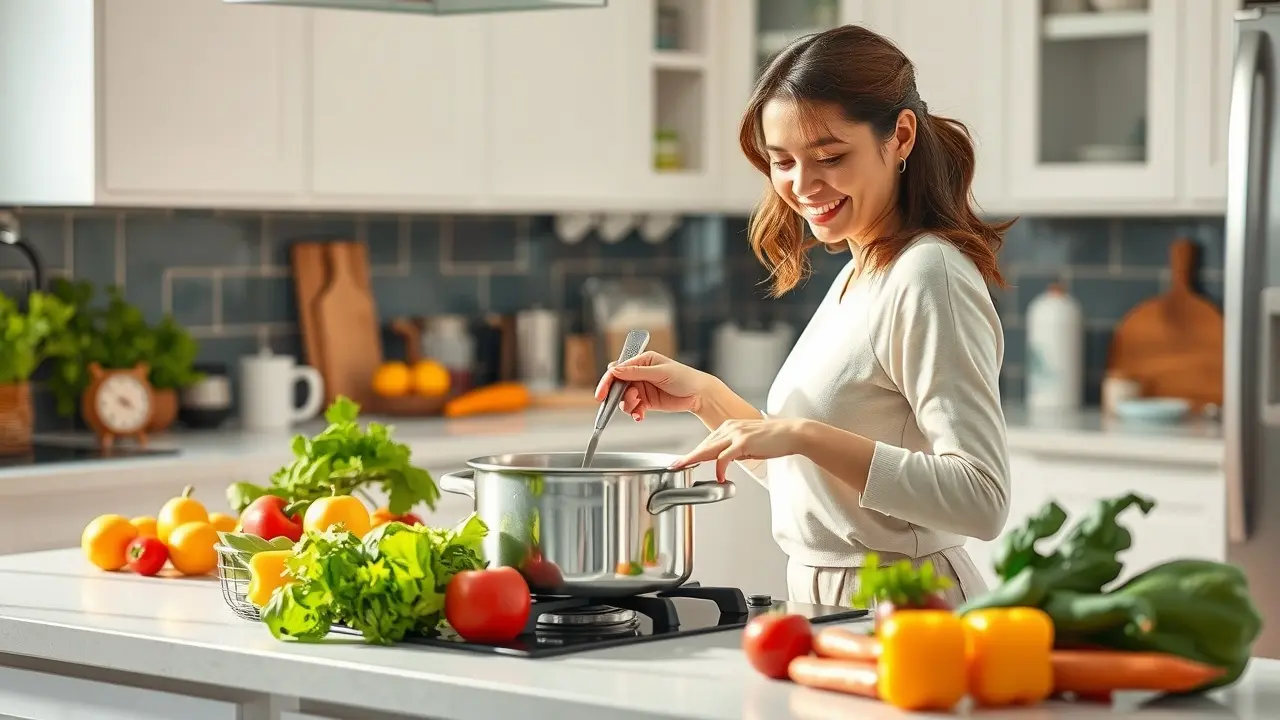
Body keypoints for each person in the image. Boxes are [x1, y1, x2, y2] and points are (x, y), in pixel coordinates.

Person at [593, 24, 1012, 608]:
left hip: (910, 604)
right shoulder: (862, 272)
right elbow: (816, 483)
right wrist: (704, 396)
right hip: (831, 601)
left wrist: (803, 434)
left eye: (830, 157)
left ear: (902, 137)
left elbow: (981, 498)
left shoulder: (928, 275)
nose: (800, 184)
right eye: (781, 161)